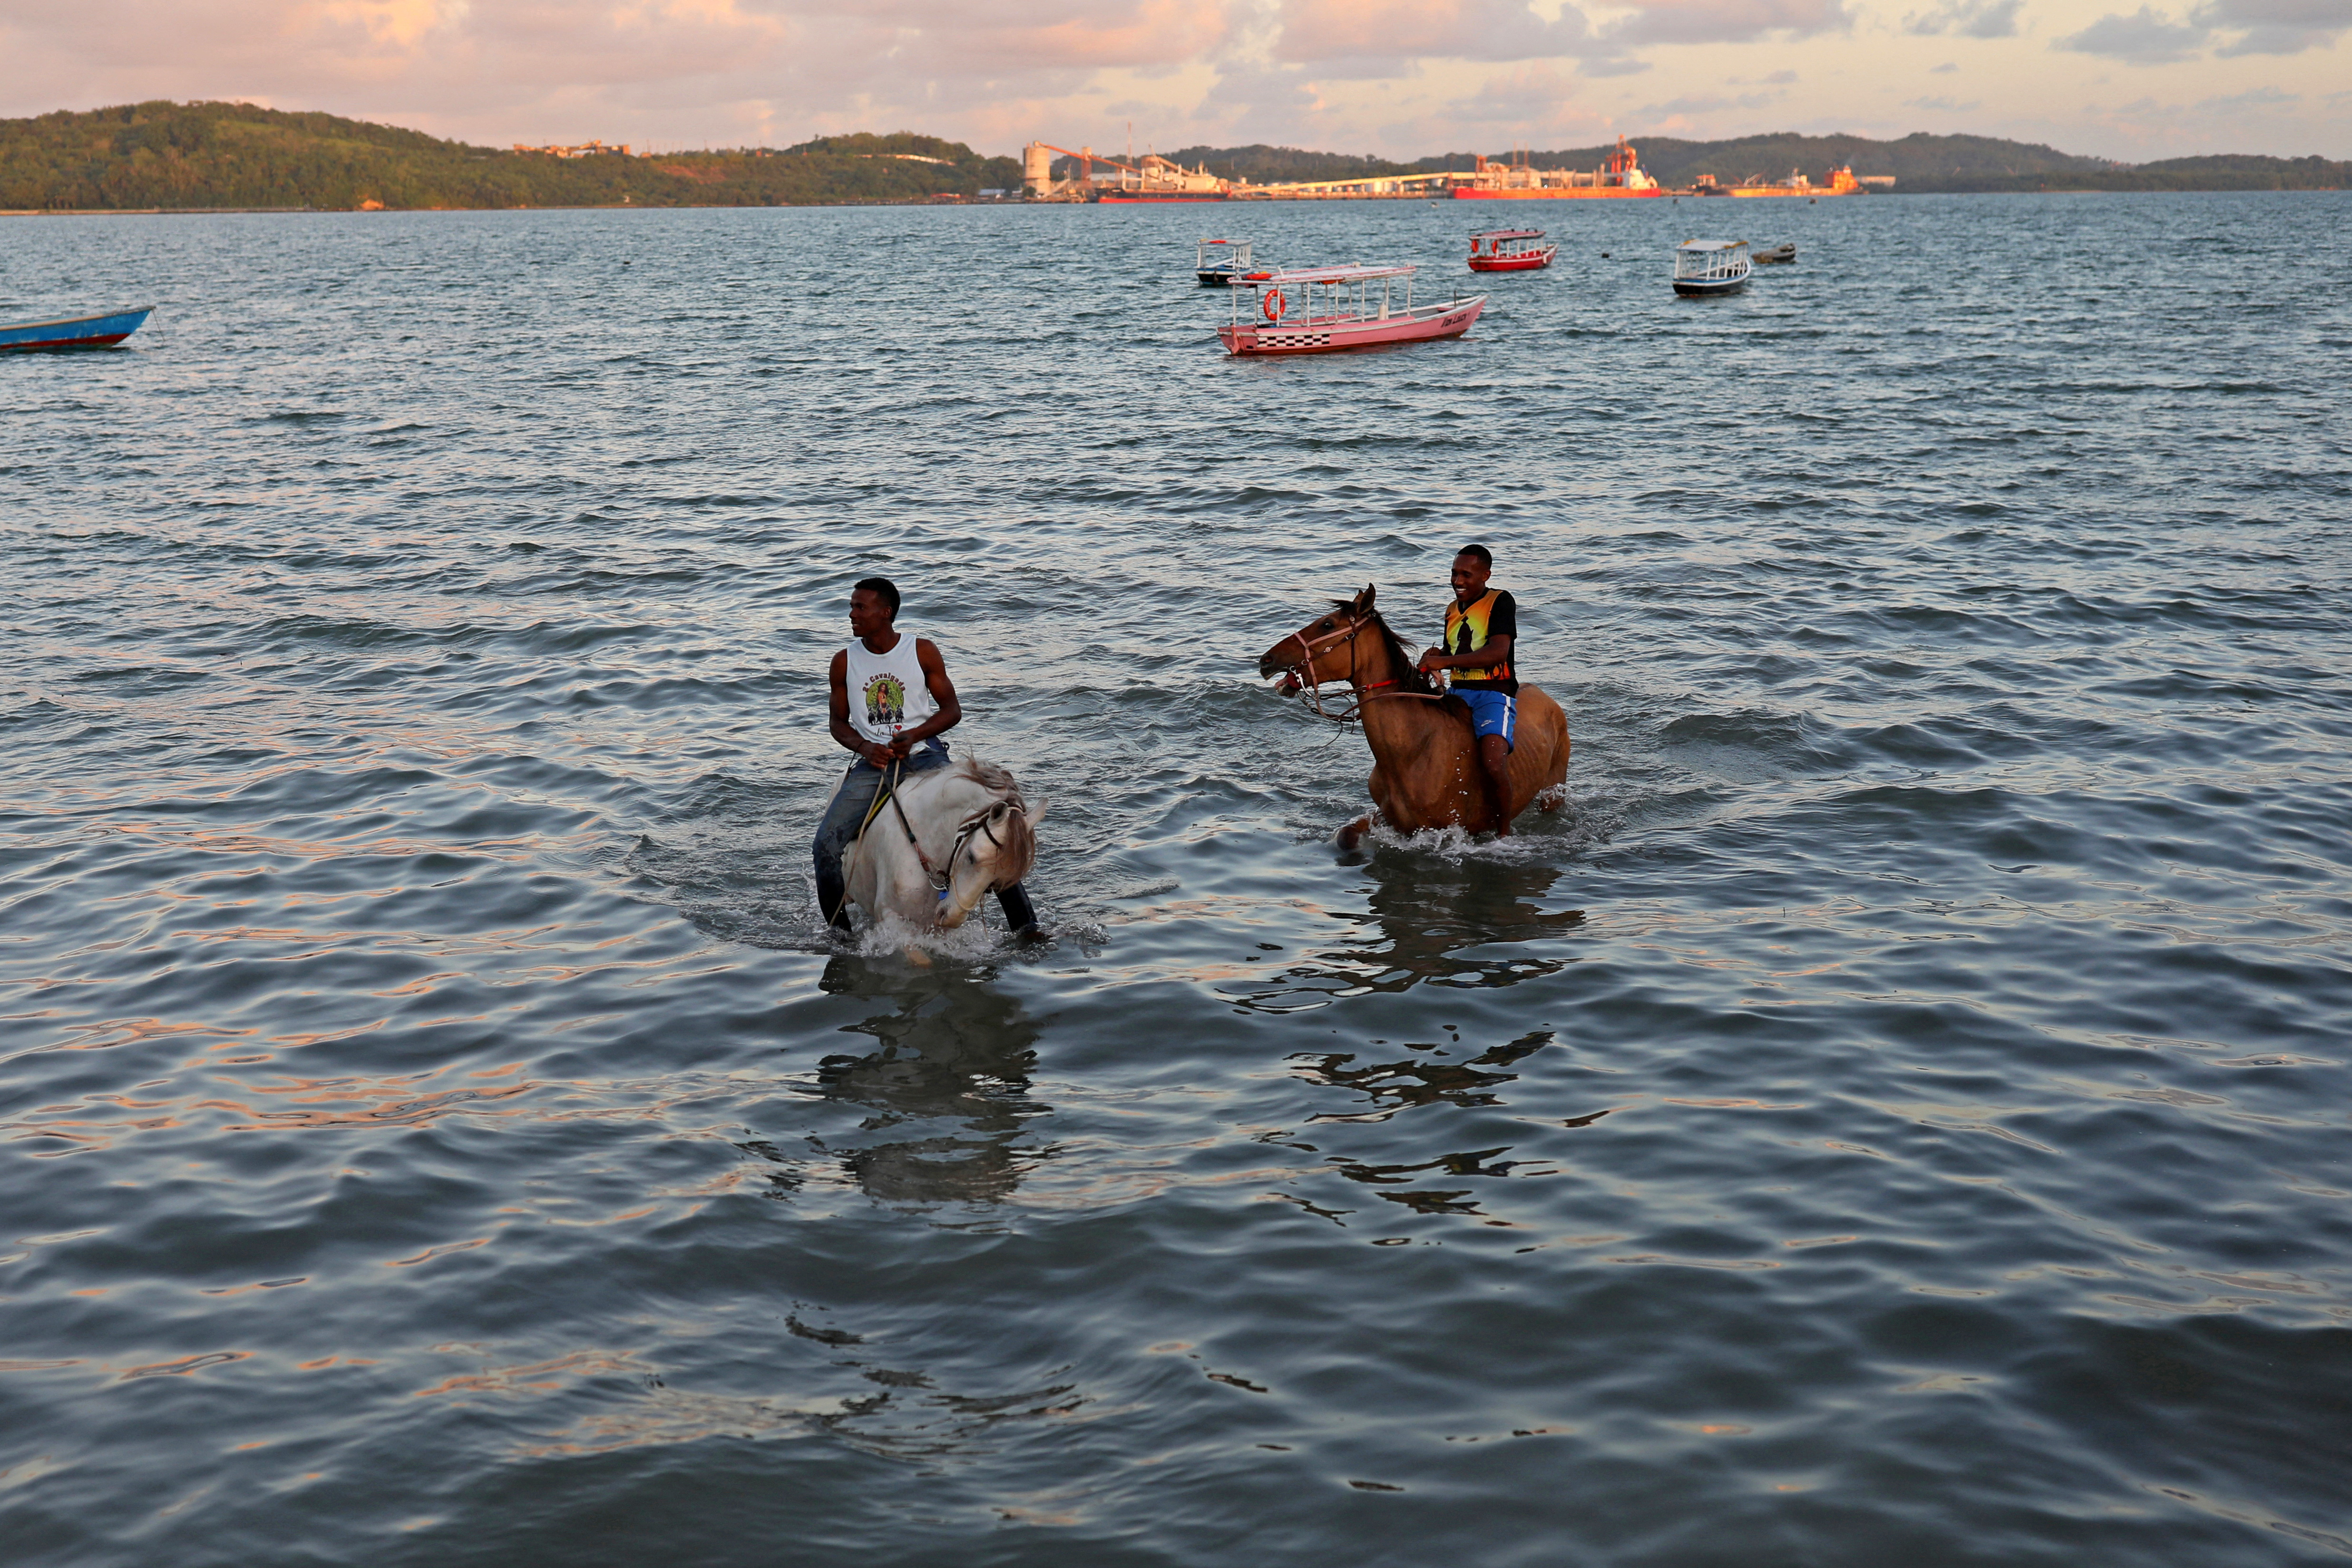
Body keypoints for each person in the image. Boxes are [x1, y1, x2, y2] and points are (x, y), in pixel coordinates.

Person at [812, 576, 1039, 936]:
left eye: (860, 607)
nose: (851, 614)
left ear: (885, 613)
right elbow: (837, 724)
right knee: (824, 845)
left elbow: (952, 710)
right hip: (874, 765)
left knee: (984, 831)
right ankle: (840, 938)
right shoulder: (843, 662)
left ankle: (1027, 928)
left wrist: (914, 735)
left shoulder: (921, 651)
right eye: (852, 606)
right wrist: (864, 747)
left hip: (925, 756)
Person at [1415, 544, 1521, 835]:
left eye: (1466, 574)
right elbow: (1455, 652)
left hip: (1494, 694)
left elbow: (1497, 653)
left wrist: (1444, 660)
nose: (1457, 581)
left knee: (1492, 763)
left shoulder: (1500, 601)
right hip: (1458, 694)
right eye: (1454, 574)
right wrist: (1435, 658)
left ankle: (1504, 834)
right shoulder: (1452, 610)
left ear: (1486, 575)